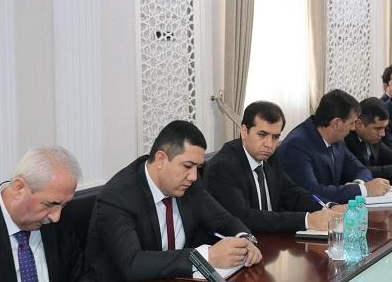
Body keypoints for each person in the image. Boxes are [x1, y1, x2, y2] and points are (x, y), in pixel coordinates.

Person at [86, 120, 262, 281]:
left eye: (198, 167)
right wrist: (206, 256)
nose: (193, 176)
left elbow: (223, 220)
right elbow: (133, 264)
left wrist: (245, 240)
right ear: (161, 159)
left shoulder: (189, 184)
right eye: (187, 166)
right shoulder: (117, 198)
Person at [204, 101, 343, 233]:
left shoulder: (269, 156)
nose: (269, 144)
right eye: (262, 135)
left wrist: (329, 207)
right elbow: (243, 217)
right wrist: (307, 220)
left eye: (275, 137)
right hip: (244, 241)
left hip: (272, 238)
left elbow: (292, 193)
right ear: (244, 131)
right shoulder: (223, 167)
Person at [0, 146, 94, 282]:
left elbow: (82, 275)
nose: (56, 217)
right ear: (19, 188)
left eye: (64, 205)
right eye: (49, 204)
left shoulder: (58, 215)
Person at [278, 89, 391, 204]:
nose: (353, 128)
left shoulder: (337, 140)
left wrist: (358, 183)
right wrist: (364, 189)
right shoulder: (297, 145)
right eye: (351, 123)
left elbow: (362, 169)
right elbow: (312, 193)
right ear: (337, 123)